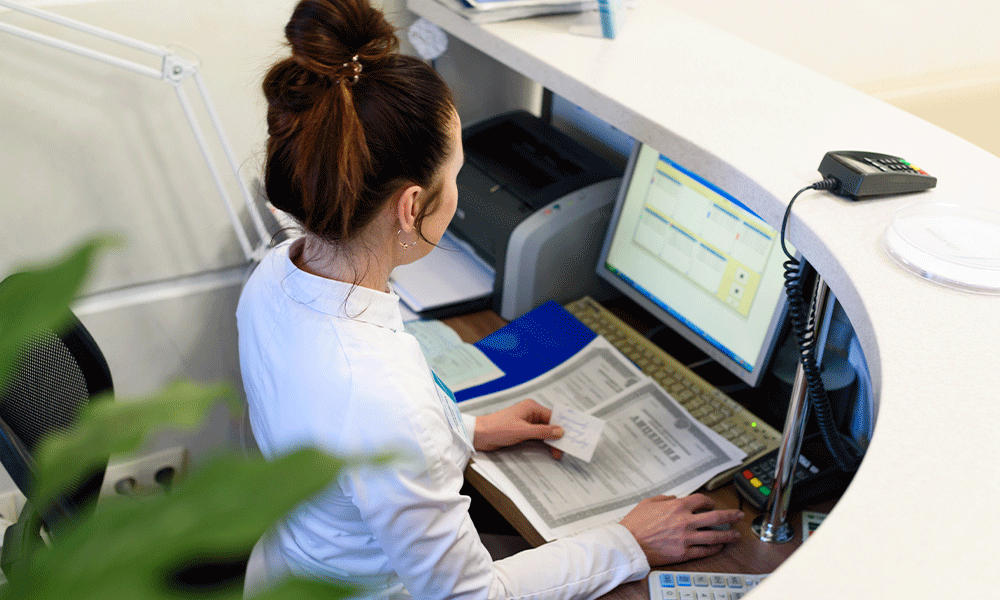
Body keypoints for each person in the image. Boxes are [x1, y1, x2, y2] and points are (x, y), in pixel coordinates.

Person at [237, 0, 743, 598]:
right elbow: (472, 596)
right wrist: (628, 542)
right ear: (410, 206)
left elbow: (341, 435)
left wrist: (463, 429)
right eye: (455, 174)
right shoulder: (385, 400)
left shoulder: (275, 276)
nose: (458, 190)